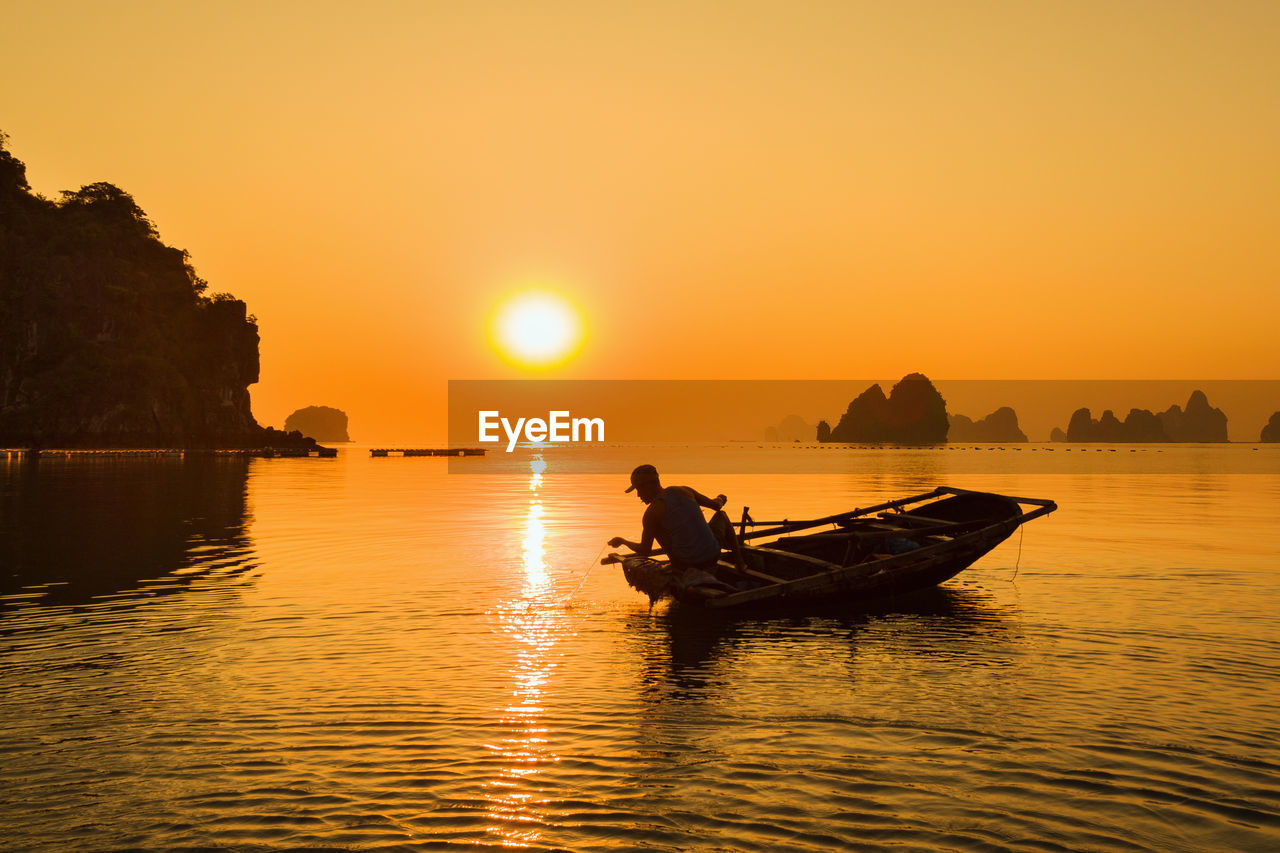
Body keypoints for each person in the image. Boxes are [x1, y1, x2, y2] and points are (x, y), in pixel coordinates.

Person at [607, 464, 744, 573]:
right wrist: (720, 498)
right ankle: (740, 562)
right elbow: (716, 505)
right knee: (722, 515)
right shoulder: (685, 490)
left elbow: (645, 550)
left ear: (650, 485)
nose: (638, 495)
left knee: (657, 526)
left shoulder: (651, 513)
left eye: (639, 489)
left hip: (686, 564)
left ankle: (676, 566)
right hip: (712, 556)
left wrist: (623, 541)